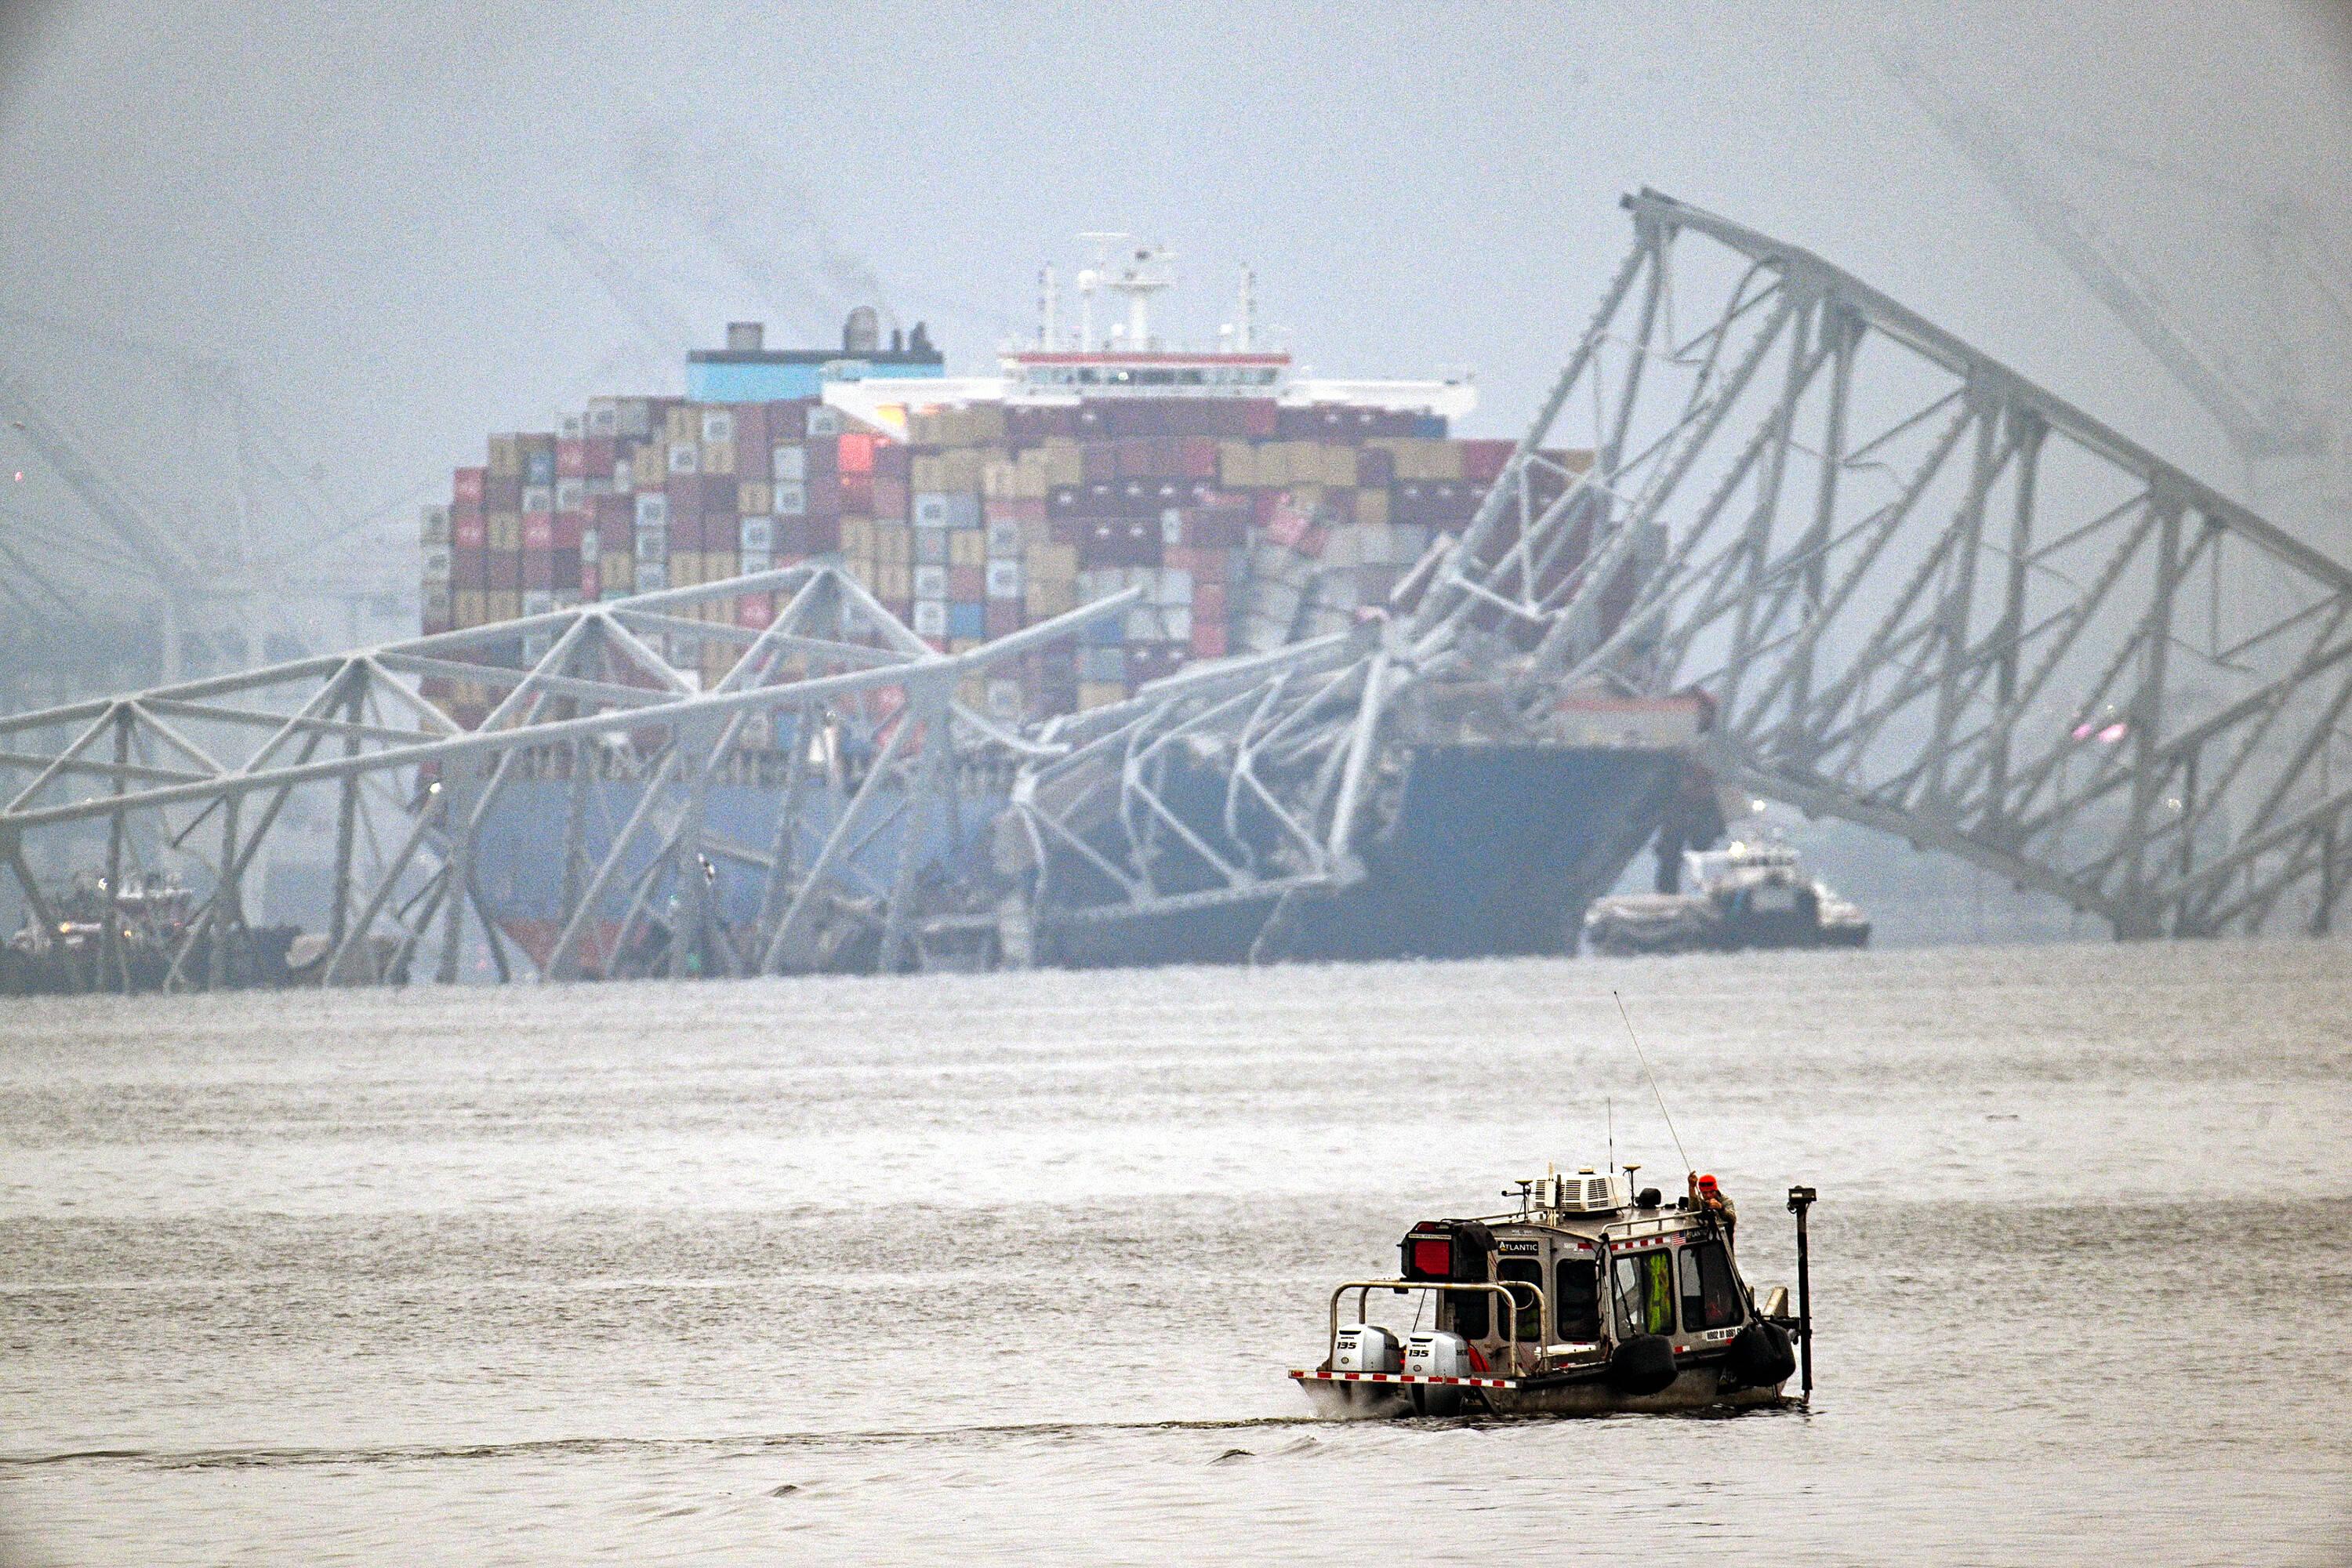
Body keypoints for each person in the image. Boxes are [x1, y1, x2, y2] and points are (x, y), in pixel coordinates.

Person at [1688, 1171, 1736, 1245]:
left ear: (1716, 1190)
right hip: (1706, 1244)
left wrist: (1721, 1208)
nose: (1709, 1195)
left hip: (1724, 1245)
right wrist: (1692, 1187)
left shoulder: (1726, 1201)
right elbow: (1693, 1210)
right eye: (1705, 1193)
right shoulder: (1702, 1203)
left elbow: (1732, 1219)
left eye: (1711, 1192)